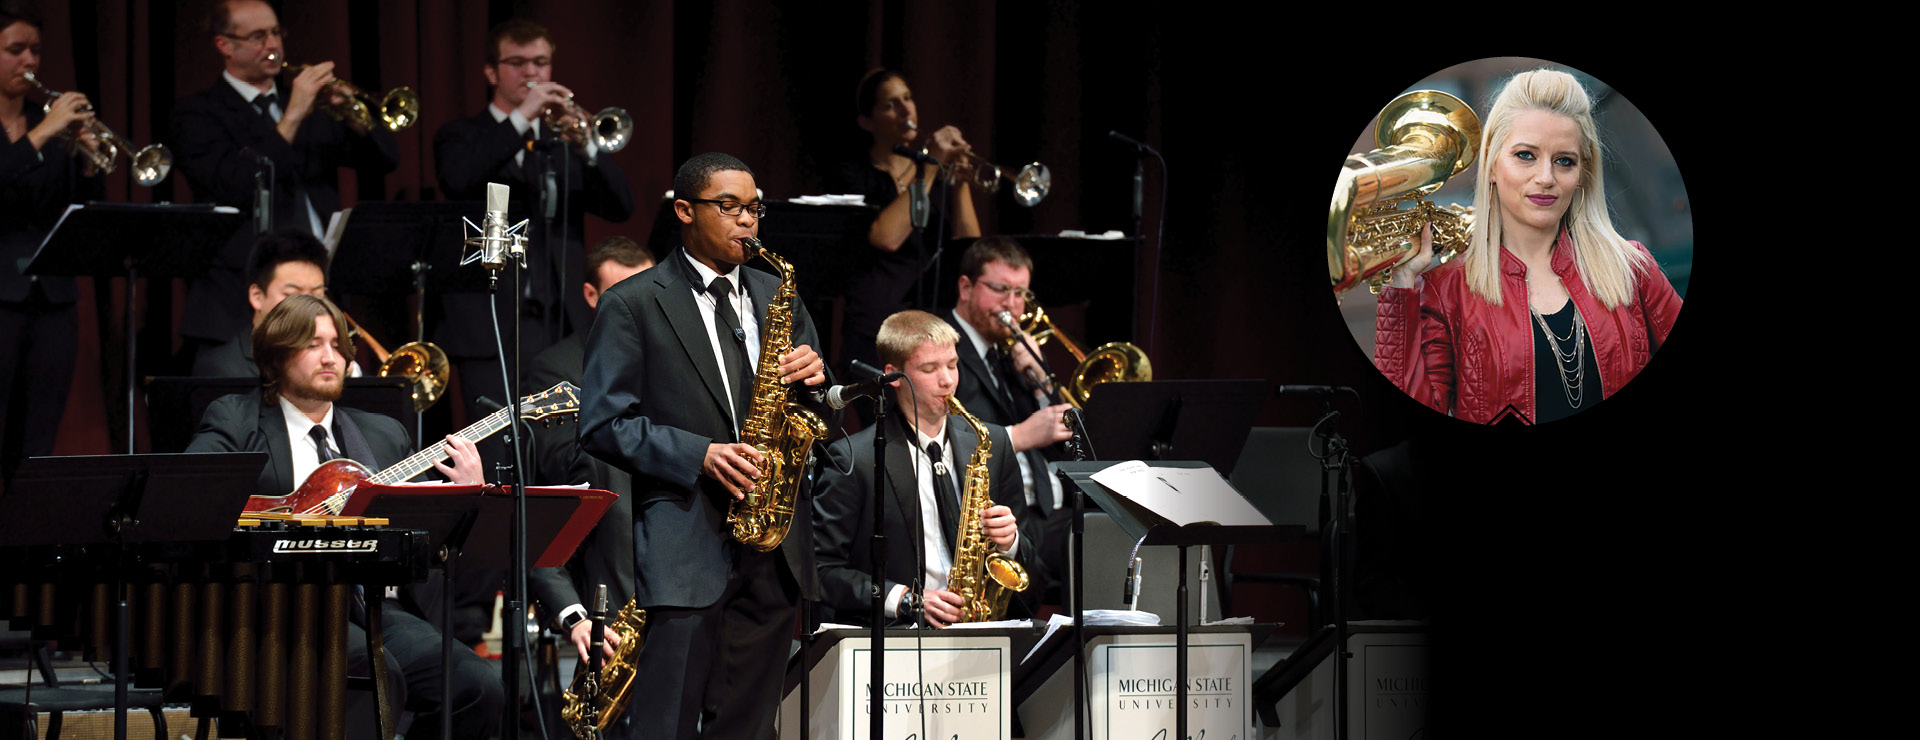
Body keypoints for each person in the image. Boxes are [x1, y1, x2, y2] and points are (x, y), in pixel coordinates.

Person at [579, 152, 827, 740]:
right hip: (686, 543)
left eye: (754, 208)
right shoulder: (634, 302)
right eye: (730, 207)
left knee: (746, 726)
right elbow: (604, 422)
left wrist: (819, 382)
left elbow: (814, 413)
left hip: (773, 543)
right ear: (685, 211)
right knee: (663, 725)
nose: (747, 221)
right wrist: (701, 454)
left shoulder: (778, 296)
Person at [183, 293, 503, 740]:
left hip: (371, 606)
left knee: (477, 685)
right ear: (276, 355)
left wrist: (464, 493)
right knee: (371, 671)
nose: (331, 356)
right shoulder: (237, 420)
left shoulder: (383, 434)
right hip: (278, 606)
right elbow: (192, 497)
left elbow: (425, 543)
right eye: (313, 344)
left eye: (337, 345)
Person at [1375, 68, 1683, 425]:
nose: (1546, 178)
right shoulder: (1445, 292)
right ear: (1491, 164)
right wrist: (1399, 289)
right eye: (1525, 155)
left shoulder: (1633, 268)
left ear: (1582, 173)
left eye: (1564, 161)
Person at [169, 0, 398, 366]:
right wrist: (292, 116)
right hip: (238, 297)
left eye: (276, 33)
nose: (272, 44)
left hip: (319, 285)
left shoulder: (312, 106)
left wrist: (358, 120)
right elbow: (236, 183)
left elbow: (385, 162)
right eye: (258, 36)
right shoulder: (197, 113)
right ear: (224, 45)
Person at [432, 17, 635, 426]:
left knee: (559, 438)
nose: (532, 74)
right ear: (491, 72)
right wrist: (523, 115)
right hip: (489, 321)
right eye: (518, 63)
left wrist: (589, 148)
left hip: (559, 318)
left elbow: (621, 206)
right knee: (492, 441)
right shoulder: (460, 134)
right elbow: (459, 178)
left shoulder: (561, 143)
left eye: (541, 63)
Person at [810, 309, 1041, 627]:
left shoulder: (994, 442)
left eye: (952, 364)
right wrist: (905, 599)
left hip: (982, 628)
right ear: (893, 375)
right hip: (898, 637)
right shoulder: (854, 458)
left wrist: (1010, 541)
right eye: (930, 368)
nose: (947, 380)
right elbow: (821, 571)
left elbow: (1032, 558)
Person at [525, 235, 652, 740]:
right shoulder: (557, 370)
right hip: (603, 545)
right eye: (623, 291)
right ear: (592, 295)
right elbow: (564, 475)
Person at [0, 0, 103, 490]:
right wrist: (42, 134)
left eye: (36, 50)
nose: (29, 62)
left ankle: (25, 555)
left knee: (37, 440)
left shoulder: (51, 126)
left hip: (53, 300)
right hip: (1, 296)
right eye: (14, 50)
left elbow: (79, 213)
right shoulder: (42, 127)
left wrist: (87, 159)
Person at [942, 236, 1075, 595]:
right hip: (994, 520)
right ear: (966, 287)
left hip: (1051, 513)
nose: (1011, 306)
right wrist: (1018, 436)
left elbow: (1064, 443)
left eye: (1020, 294)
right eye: (1001, 290)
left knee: (1118, 537)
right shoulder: (941, 347)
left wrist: (1038, 379)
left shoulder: (1009, 351)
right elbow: (943, 433)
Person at [830, 68, 982, 374]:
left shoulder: (934, 176)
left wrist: (960, 181)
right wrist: (928, 167)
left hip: (931, 323)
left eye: (908, 98)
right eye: (890, 104)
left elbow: (970, 252)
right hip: (876, 326)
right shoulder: (855, 175)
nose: (905, 109)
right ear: (867, 122)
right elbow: (886, 237)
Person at [191, 227, 333, 378]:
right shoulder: (223, 368)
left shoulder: (332, 358)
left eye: (316, 295)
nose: (307, 306)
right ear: (257, 296)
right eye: (292, 295)